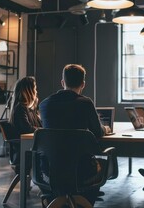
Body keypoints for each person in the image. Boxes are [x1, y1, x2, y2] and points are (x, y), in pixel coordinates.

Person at [38, 64, 110, 206]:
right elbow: (97, 132)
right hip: (81, 170)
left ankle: (56, 199)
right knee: (97, 166)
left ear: (62, 82)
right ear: (83, 84)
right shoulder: (86, 103)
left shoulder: (44, 105)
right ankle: (82, 201)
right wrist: (105, 128)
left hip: (49, 170)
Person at [8, 76, 42, 165]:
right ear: (29, 91)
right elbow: (27, 128)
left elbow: (39, 125)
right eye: (35, 89)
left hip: (29, 148)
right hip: (24, 150)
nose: (36, 92)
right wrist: (42, 130)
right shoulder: (20, 108)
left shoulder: (30, 109)